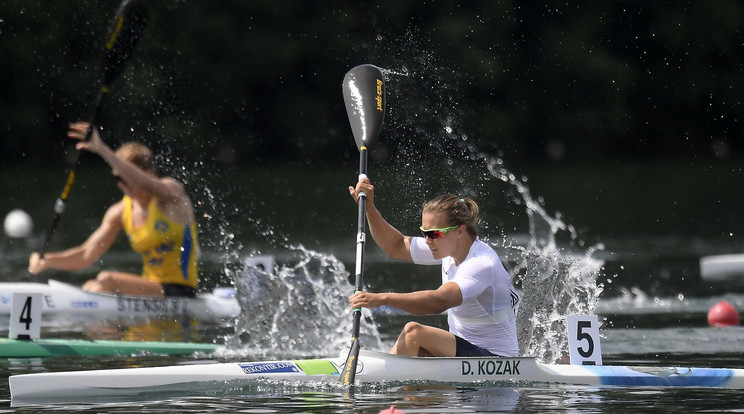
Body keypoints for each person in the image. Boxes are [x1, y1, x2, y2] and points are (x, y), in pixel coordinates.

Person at [348, 178, 519, 357]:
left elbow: (440, 301)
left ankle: (379, 379)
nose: (428, 241)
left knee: (413, 333)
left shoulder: (481, 264)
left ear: (460, 231)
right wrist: (369, 208)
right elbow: (396, 246)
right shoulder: (448, 247)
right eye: (424, 233)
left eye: (434, 234)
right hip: (464, 355)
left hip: (496, 359)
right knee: (417, 350)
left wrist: (383, 298)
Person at [28, 122, 199, 298]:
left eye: (125, 177)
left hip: (181, 290)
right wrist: (49, 260)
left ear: (147, 173)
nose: (121, 184)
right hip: (150, 289)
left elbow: (142, 183)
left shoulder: (170, 195)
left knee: (106, 279)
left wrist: (102, 149)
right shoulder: (119, 212)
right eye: (117, 177)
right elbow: (87, 254)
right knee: (92, 284)